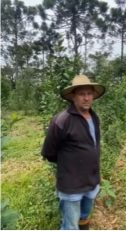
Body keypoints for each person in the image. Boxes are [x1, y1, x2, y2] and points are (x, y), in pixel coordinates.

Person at [41, 74, 105, 230]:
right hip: (71, 184)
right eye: (82, 94)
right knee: (70, 225)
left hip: (91, 180)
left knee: (85, 214)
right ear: (73, 97)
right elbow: (49, 152)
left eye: (89, 94)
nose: (86, 98)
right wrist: (69, 165)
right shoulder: (62, 120)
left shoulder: (94, 117)